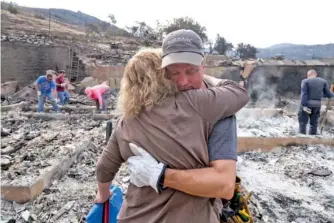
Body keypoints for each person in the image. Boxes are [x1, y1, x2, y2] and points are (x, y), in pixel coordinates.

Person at [95, 46, 250, 223]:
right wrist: (199, 74)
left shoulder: (125, 122)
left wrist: (103, 194)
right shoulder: (193, 103)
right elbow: (238, 93)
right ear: (164, 76)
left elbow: (104, 167)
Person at [298, 69, 334, 135]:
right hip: (317, 105)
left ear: (307, 75)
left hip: (307, 105)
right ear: (316, 74)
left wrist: (304, 105)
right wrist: (332, 93)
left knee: (303, 122)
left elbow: (304, 94)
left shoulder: (305, 81)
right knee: (314, 123)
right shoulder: (323, 81)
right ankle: (312, 138)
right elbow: (329, 95)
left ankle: (302, 138)